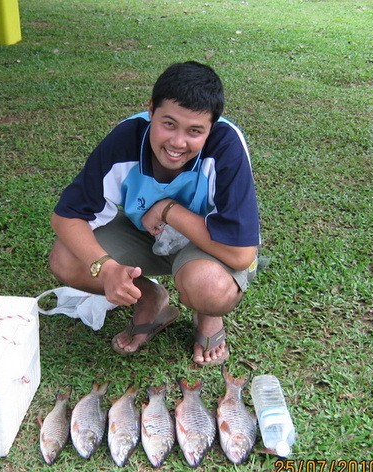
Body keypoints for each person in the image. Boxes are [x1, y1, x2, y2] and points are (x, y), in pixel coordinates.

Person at [48, 61, 261, 366]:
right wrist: (106, 268)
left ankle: (209, 316)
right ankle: (150, 298)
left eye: (195, 131)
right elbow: (66, 216)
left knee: (209, 288)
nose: (177, 142)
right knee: (66, 259)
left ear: (212, 127)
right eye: (168, 124)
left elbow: (240, 255)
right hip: (147, 235)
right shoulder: (125, 138)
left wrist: (168, 210)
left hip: (210, 244)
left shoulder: (227, 148)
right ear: (151, 111)